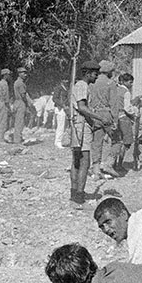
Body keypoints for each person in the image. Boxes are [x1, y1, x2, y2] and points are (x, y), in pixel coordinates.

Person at [69, 61, 102, 205]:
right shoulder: (82, 86)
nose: (96, 77)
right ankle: (79, 196)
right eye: (95, 74)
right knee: (84, 162)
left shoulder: (79, 85)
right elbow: (82, 107)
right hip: (81, 127)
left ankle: (74, 193)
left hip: (78, 124)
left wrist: (93, 121)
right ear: (88, 73)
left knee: (76, 161)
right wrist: (100, 118)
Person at [87, 60, 123, 179]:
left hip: (95, 114)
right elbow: (114, 104)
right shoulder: (110, 83)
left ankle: (96, 170)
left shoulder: (92, 83)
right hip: (107, 114)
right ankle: (109, 163)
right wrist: (115, 120)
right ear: (109, 71)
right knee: (117, 140)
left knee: (97, 143)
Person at [12, 66, 32, 144]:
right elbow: (23, 95)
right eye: (23, 73)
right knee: (20, 122)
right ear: (19, 74)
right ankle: (17, 140)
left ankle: (17, 138)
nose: (25, 75)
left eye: (25, 73)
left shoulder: (16, 82)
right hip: (21, 102)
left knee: (18, 121)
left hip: (17, 102)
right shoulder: (20, 83)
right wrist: (27, 104)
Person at [0, 69, 12, 142]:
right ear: (5, 75)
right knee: (3, 120)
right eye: (8, 75)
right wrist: (8, 105)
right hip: (4, 103)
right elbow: (5, 95)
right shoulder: (4, 83)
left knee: (0, 120)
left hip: (0, 102)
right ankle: (1, 138)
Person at [52, 80, 68, 149]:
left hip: (64, 108)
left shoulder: (66, 88)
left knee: (63, 125)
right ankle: (58, 141)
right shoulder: (58, 88)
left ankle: (58, 141)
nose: (66, 81)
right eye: (65, 80)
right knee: (60, 126)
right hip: (60, 108)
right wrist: (62, 105)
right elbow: (54, 98)